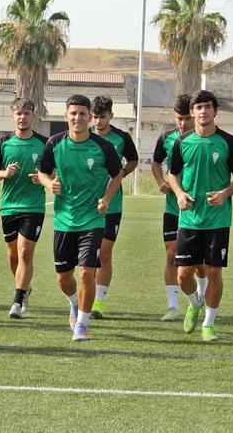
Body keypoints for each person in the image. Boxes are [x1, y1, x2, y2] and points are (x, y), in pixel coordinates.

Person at [38, 95, 122, 341]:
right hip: (64, 219)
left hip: (92, 220)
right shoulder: (54, 144)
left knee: (86, 271)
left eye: (82, 113)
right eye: (73, 113)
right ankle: (74, 304)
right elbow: (43, 173)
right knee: (64, 277)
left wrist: (106, 198)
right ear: (66, 116)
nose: (78, 118)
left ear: (89, 117)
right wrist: (48, 183)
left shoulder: (103, 147)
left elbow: (116, 174)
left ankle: (82, 325)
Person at [167, 90, 233, 342]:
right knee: (183, 275)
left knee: (213, 272)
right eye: (198, 107)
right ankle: (194, 302)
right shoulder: (182, 142)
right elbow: (173, 174)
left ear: (215, 111)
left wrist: (225, 193)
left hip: (217, 219)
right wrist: (179, 193)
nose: (203, 111)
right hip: (189, 218)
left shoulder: (228, 142)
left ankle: (209, 325)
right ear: (192, 112)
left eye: (207, 107)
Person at [0, 97, 48, 318]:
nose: (23, 117)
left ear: (33, 116)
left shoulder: (44, 143)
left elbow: (55, 171)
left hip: (34, 207)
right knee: (13, 256)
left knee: (24, 251)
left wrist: (44, 179)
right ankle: (25, 288)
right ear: (12, 117)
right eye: (18, 114)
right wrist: (4, 173)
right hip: (9, 207)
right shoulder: (2, 144)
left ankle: (17, 301)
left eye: (27, 113)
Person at [150, 94, 203, 321]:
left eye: (186, 119)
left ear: (193, 115)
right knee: (172, 255)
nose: (182, 124)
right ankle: (173, 306)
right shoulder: (167, 139)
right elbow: (155, 162)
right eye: (178, 119)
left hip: (198, 211)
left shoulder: (202, 139)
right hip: (173, 209)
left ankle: (199, 296)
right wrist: (161, 181)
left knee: (198, 263)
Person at [88, 96, 138, 319]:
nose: (98, 121)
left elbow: (133, 160)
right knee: (88, 255)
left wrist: (122, 174)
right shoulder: (83, 136)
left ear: (111, 116)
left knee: (105, 254)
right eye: (95, 117)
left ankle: (98, 301)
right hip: (85, 206)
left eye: (103, 116)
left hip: (112, 205)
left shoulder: (121, 138)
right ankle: (85, 297)